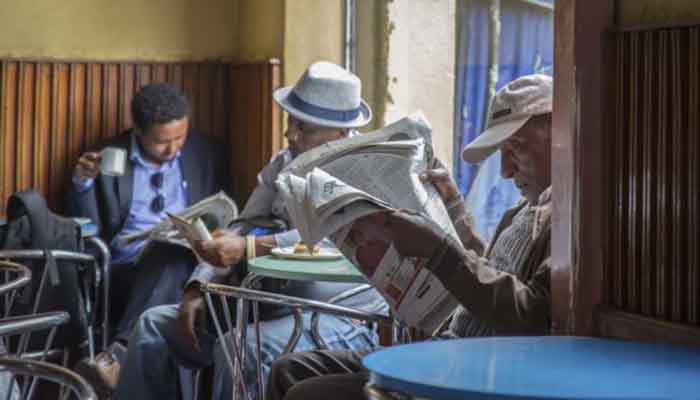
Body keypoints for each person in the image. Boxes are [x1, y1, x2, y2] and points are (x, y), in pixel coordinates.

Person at [266, 74, 554, 400]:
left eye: (515, 148)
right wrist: (452, 205)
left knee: (306, 394)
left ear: (560, 134)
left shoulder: (567, 219)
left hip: (470, 373)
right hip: (443, 352)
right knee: (286, 370)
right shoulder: (520, 211)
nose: (504, 170)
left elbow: (531, 314)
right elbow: (491, 268)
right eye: (501, 152)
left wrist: (437, 251)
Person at [113, 61, 387, 400]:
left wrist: (250, 248)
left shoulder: (367, 174)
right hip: (265, 302)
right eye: (290, 121)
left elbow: (325, 238)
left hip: (338, 317)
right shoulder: (284, 162)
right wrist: (198, 286)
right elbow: (243, 226)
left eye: (303, 127)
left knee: (239, 350)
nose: (290, 134)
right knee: (153, 327)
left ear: (340, 133)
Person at [67, 83, 231, 394]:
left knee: (173, 257)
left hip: (189, 259)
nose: (173, 150)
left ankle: (115, 357)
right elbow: (89, 225)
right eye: (162, 142)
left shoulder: (206, 152)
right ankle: (122, 356)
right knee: (168, 259)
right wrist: (82, 184)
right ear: (139, 132)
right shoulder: (107, 155)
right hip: (126, 263)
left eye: (179, 138)